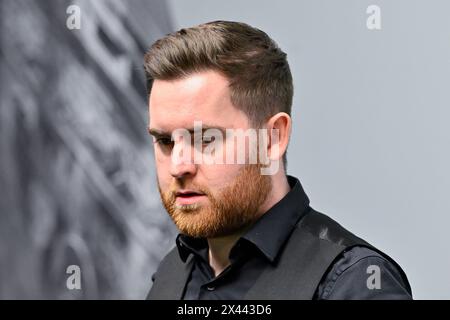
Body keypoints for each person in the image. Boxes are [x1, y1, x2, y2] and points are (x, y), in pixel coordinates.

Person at [144, 21, 412, 300]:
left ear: (272, 139)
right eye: (165, 141)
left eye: (205, 139)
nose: (178, 166)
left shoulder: (354, 283)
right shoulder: (171, 273)